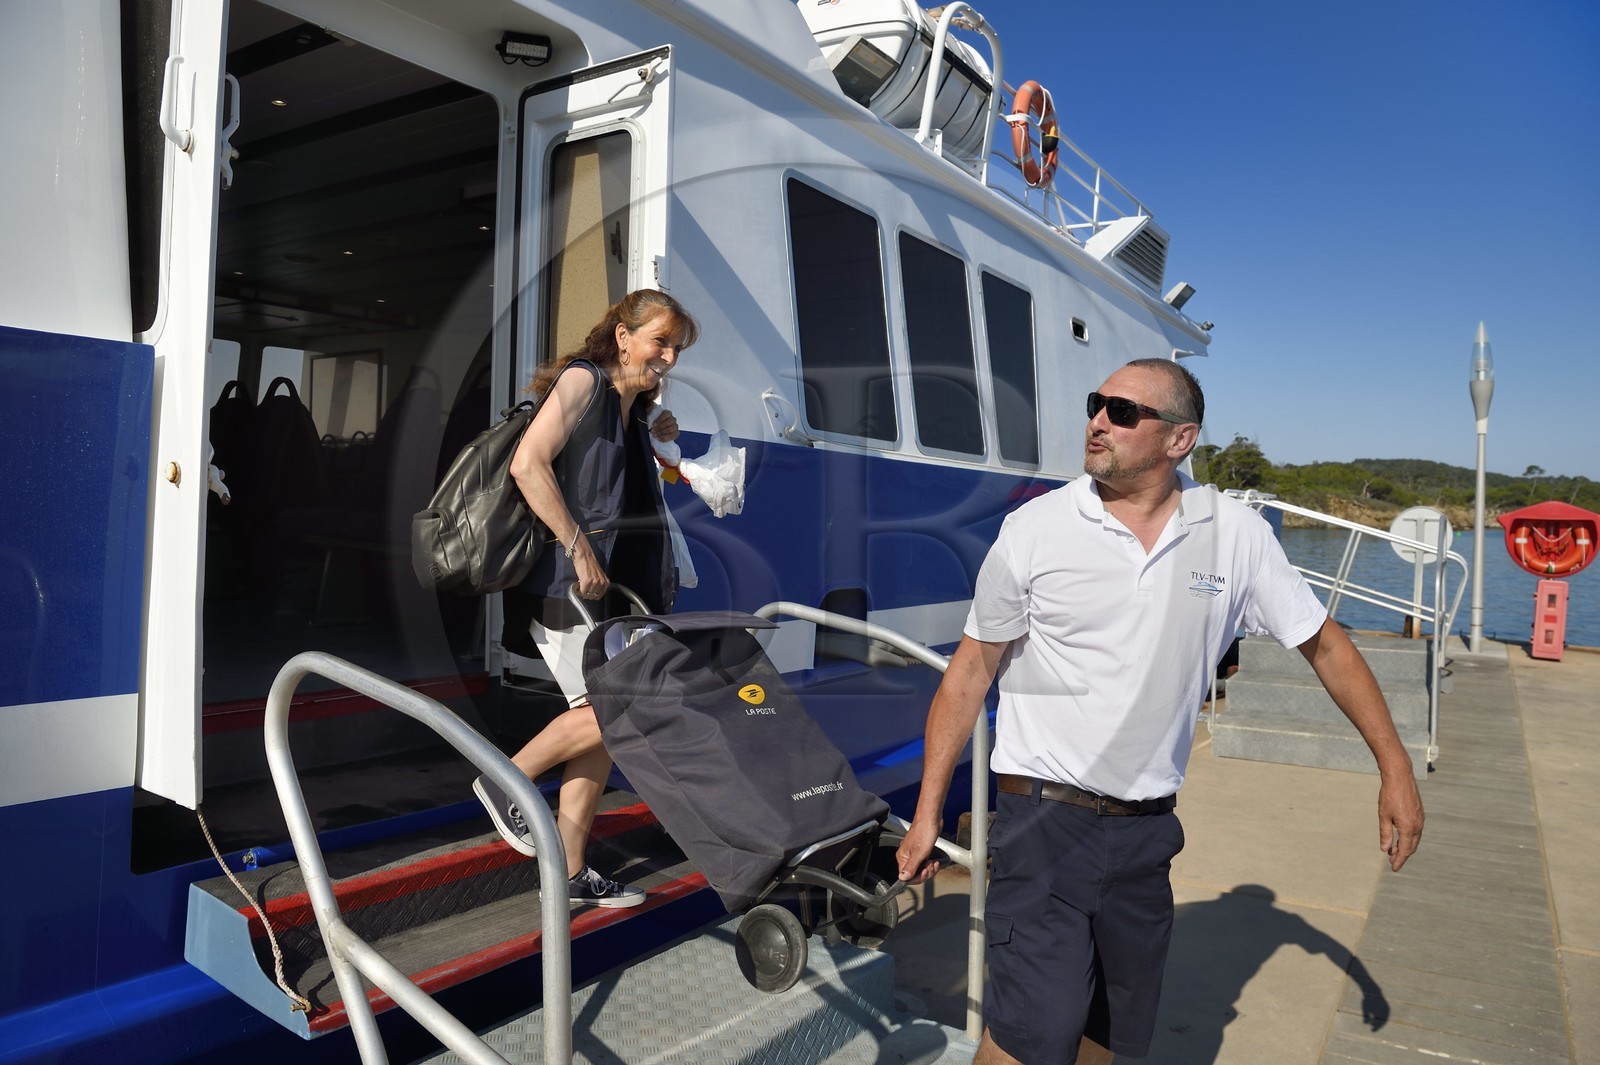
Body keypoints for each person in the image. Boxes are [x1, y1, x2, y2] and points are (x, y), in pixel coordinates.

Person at [895, 358, 1424, 1064]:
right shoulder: (1036, 528)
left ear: (1180, 439)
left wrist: (1395, 767)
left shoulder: (1235, 534)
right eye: (1096, 404)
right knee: (1030, 1035)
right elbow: (968, 675)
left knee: (1106, 1034)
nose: (1097, 421)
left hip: (1147, 835)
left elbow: (1326, 646)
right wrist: (928, 812)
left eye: (1121, 411)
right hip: (1043, 821)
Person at [473, 289, 699, 908]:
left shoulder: (634, 407)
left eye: (677, 348)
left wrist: (658, 433)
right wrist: (576, 546)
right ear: (623, 337)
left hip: (609, 590)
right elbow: (528, 464)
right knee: (617, 711)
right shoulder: (584, 382)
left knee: (603, 726)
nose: (669, 357)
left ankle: (569, 873)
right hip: (565, 582)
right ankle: (505, 781)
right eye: (660, 342)